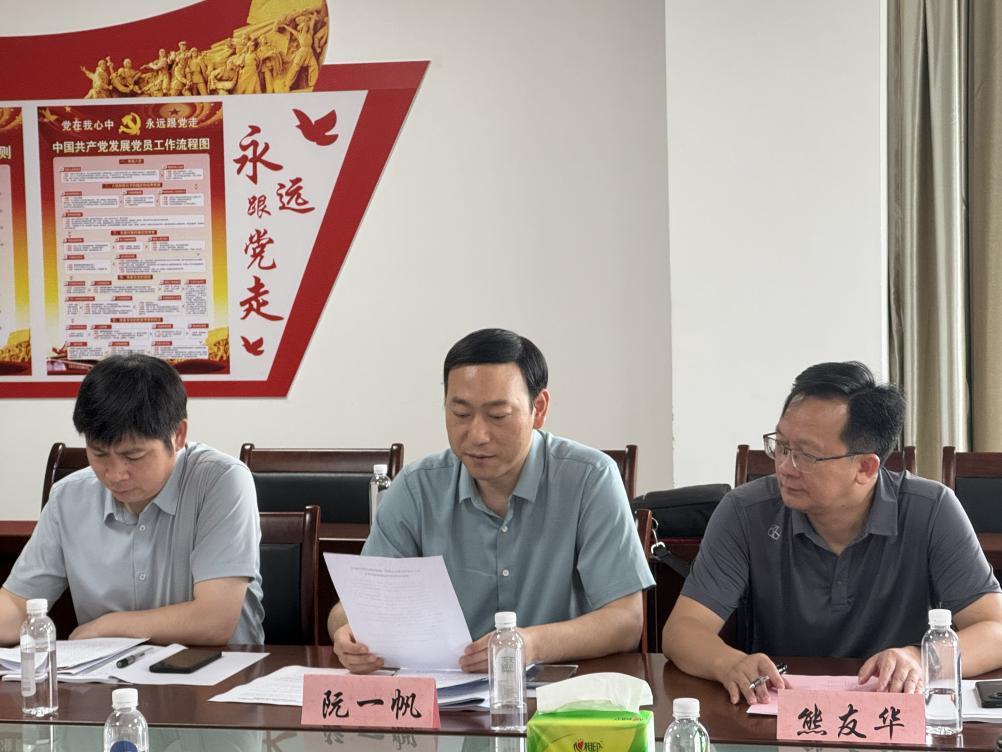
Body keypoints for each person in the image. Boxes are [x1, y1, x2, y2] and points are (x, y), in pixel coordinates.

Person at [662, 361, 1002, 704]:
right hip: (778, 712)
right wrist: (729, 663)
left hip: (895, 712)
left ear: (865, 467)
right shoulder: (745, 512)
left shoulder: (930, 510)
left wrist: (919, 659)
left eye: (807, 455)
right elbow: (683, 629)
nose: (784, 467)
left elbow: (995, 630)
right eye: (782, 446)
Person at [327, 328, 654, 672]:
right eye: (461, 414)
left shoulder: (589, 478)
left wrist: (529, 644)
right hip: (446, 691)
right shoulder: (415, 488)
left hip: (560, 690)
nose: (477, 435)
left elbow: (626, 620)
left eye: (497, 416)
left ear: (539, 408)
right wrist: (346, 631)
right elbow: (351, 608)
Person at [0, 354, 264, 645]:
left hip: (218, 668)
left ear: (178, 435)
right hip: (105, 672)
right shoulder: (69, 497)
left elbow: (213, 620)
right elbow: (18, 605)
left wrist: (106, 627)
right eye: (99, 454)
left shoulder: (221, 481)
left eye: (134, 455)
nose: (115, 474)